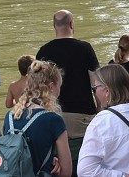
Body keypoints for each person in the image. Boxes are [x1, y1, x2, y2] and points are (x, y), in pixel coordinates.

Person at [36, 10, 99, 175]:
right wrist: (100, 110)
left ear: (54, 26)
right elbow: (96, 84)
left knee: (58, 165)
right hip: (82, 116)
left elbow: (38, 90)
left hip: (52, 115)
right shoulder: (85, 49)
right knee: (85, 161)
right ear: (72, 24)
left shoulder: (43, 52)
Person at [3, 61, 71, 177]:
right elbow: (66, 172)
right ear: (51, 87)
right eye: (59, 86)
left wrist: (51, 158)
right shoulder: (53, 120)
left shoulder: (10, 117)